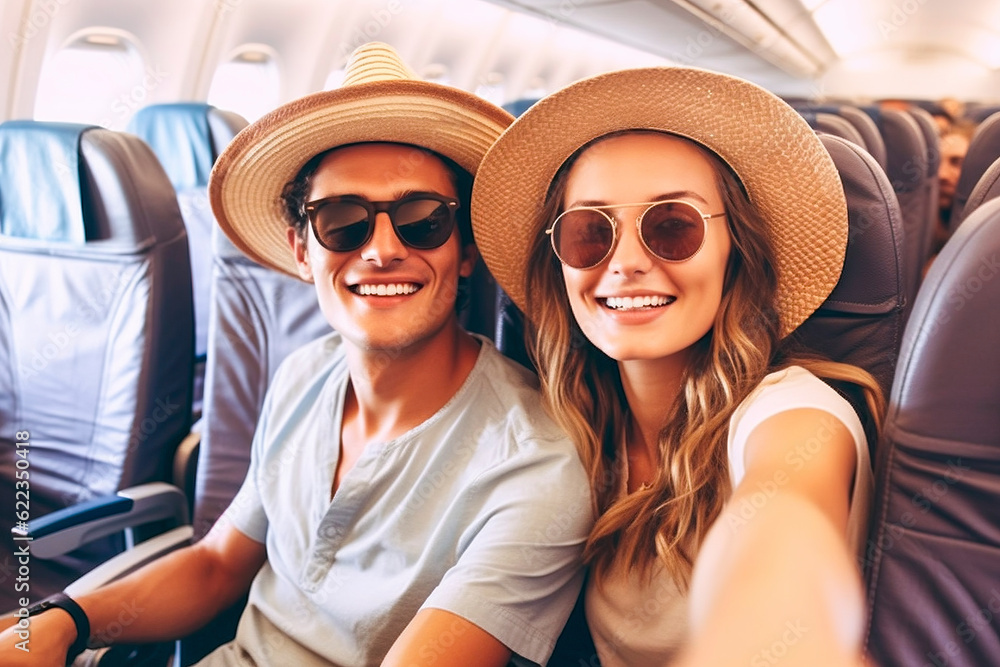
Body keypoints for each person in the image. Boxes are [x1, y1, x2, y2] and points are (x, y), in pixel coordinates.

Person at [0, 42, 593, 667]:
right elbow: (216, 566)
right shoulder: (303, 375)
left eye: (422, 219)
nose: (382, 250)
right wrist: (65, 620)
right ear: (303, 251)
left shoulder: (534, 466)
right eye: (343, 220)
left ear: (465, 251)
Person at [471, 66, 885, 666]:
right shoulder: (567, 426)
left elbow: (782, 532)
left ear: (734, 251)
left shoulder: (795, 417)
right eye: (591, 232)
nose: (627, 263)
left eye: (672, 227)